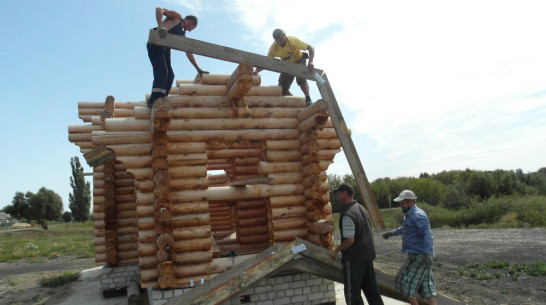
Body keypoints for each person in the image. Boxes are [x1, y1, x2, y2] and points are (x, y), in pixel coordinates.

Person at [330, 183, 384, 305]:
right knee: (372, 291)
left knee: (352, 294)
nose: (338, 195)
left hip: (354, 259)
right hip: (367, 256)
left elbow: (350, 240)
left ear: (344, 193)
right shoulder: (361, 208)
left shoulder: (348, 214)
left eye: (339, 192)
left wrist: (336, 250)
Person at [382, 190, 437, 305]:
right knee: (427, 286)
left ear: (411, 201)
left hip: (420, 256)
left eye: (403, 203)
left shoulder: (418, 215)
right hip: (417, 254)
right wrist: (392, 233)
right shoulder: (410, 215)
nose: (401, 206)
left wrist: (428, 254)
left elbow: (428, 235)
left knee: (405, 284)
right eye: (400, 203)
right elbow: (405, 229)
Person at [146, 7, 208, 108]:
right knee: (162, 71)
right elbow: (159, 9)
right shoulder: (177, 17)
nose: (191, 31)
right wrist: (161, 26)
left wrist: (198, 69)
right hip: (156, 43)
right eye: (193, 28)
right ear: (191, 22)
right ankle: (154, 100)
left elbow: (188, 51)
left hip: (165, 49)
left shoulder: (182, 34)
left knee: (170, 75)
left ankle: (162, 98)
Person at [253, 29, 315, 105]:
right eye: (277, 41)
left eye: (281, 39)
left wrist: (310, 62)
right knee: (282, 89)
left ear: (284, 36)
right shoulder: (273, 48)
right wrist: (256, 71)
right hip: (287, 65)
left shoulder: (292, 40)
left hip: (299, 59)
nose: (280, 42)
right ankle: (297, 102)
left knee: (301, 78)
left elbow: (311, 48)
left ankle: (308, 99)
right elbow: (267, 63)